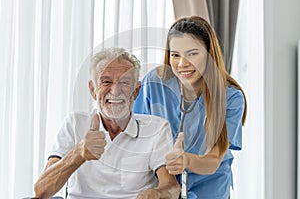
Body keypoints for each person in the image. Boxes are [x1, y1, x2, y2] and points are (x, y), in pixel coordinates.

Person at [34, 47, 180, 199]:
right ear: (93, 90)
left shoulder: (157, 128)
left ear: (136, 91)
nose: (115, 91)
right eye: (106, 82)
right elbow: (41, 191)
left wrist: (156, 193)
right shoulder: (75, 123)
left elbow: (172, 188)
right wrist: (78, 154)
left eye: (124, 82)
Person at [133, 16, 247, 199]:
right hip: (163, 185)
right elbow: (137, 136)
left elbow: (214, 159)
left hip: (210, 187)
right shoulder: (154, 83)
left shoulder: (231, 98)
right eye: (175, 54)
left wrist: (186, 159)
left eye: (192, 53)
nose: (182, 64)